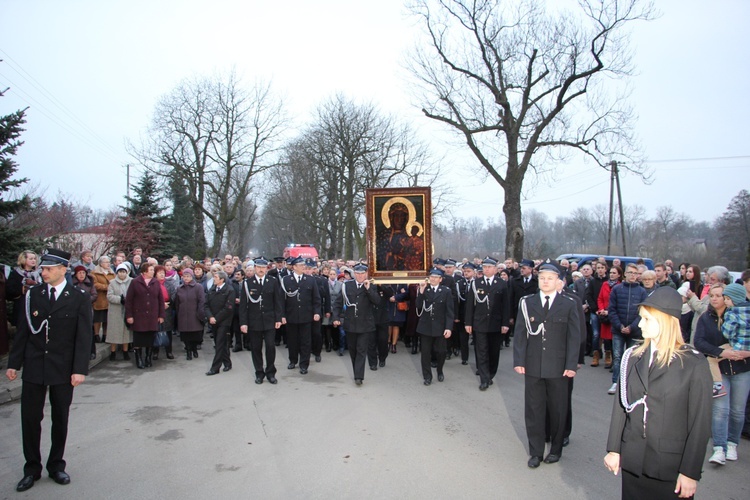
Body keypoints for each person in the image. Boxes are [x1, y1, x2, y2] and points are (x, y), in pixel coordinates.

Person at [604, 287, 712, 499]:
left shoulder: (692, 363)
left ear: (665, 322)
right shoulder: (633, 357)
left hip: (669, 466)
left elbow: (700, 422)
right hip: (633, 461)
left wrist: (690, 472)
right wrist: (614, 449)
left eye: (647, 319)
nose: (640, 324)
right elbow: (621, 407)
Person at [6, 249, 92, 492]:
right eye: (42, 268)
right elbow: (23, 331)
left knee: (60, 418)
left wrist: (79, 369)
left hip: (63, 368)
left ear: (63, 269)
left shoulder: (78, 297)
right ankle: (31, 468)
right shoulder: (32, 295)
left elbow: (83, 337)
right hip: (35, 365)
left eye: (48, 269)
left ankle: (56, 465)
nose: (43, 272)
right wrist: (14, 363)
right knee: (30, 419)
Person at [513, 260, 580, 468]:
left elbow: (574, 337)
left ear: (558, 281)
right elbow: (520, 334)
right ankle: (535, 452)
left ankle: (556, 449)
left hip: (558, 367)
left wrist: (571, 364)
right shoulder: (527, 303)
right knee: (533, 409)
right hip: (533, 365)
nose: (545, 281)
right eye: (542, 278)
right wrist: (519, 360)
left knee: (558, 410)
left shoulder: (568, 304)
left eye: (550, 278)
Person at [465, 257, 511, 391]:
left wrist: (505, 323)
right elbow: (470, 306)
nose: (486, 269)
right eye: (484, 267)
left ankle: (491, 374)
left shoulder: (501, 283)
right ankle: (484, 379)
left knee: (493, 351)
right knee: (481, 351)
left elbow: (505, 306)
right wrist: (468, 322)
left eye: (489, 267)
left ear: (495, 269)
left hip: (496, 324)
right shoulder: (476, 283)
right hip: (480, 323)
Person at [332, 263, 380, 385]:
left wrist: (368, 289)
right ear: (354, 274)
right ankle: (356, 372)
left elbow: (377, 301)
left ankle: (359, 377)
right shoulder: (346, 286)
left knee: (361, 350)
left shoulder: (371, 286)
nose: (360, 276)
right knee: (353, 350)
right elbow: (338, 303)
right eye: (358, 273)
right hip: (350, 323)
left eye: (362, 273)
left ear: (366, 274)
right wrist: (336, 317)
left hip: (365, 325)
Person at [239, 257, 281, 384]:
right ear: (255, 268)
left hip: (269, 320)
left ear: (266, 269)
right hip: (254, 321)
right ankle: (259, 373)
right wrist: (243, 323)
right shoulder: (248, 283)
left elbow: (277, 302)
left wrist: (278, 318)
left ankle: (270, 372)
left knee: (270, 346)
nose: (261, 270)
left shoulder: (272, 281)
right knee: (256, 348)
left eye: (263, 267)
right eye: (258, 267)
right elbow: (243, 305)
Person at [607, 264, 648, 395]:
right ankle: (615, 382)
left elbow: (642, 313)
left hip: (634, 330)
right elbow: (612, 310)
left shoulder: (642, 292)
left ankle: (629, 384)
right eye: (630, 273)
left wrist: (632, 327)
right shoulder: (616, 289)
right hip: (618, 329)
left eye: (635, 273)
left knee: (631, 358)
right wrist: (620, 326)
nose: (632, 275)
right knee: (618, 357)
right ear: (625, 274)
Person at [278, 256, 321, 374]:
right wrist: (282, 315)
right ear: (294, 267)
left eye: (304, 265)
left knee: (305, 341)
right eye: (301, 265)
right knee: (292, 340)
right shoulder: (286, 280)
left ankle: (304, 364)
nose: (304, 267)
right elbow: (281, 299)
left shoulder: (310, 280)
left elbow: (316, 298)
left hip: (306, 316)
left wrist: (317, 312)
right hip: (291, 316)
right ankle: (293, 360)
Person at [416, 268, 454, 385]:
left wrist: (448, 327)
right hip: (426, 326)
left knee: (441, 352)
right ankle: (427, 376)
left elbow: (449, 311)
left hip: (440, 326)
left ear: (440, 279)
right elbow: (418, 306)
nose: (433, 279)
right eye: (431, 277)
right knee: (425, 353)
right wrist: (421, 291)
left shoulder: (446, 291)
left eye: (436, 277)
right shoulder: (424, 289)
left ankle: (440, 370)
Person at [124, 262, 165, 369]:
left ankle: (148, 357)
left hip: (152, 315)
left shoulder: (155, 282)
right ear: (144, 272)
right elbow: (129, 300)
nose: (153, 272)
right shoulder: (135, 282)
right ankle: (139, 359)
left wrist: (161, 315)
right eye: (151, 270)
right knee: (138, 338)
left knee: (150, 338)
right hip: (138, 316)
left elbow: (160, 300)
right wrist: (129, 315)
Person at [204, 270, 235, 375]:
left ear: (222, 279)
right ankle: (227, 362)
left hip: (224, 321)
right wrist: (210, 317)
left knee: (219, 344)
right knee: (219, 342)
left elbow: (228, 308)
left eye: (216, 277)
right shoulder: (212, 289)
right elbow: (206, 305)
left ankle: (215, 368)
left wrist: (216, 318)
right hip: (213, 321)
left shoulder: (229, 290)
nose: (214, 279)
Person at [173, 268, 205, 360]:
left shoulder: (198, 287)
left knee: (195, 334)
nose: (186, 278)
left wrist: (200, 313)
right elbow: (177, 303)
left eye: (188, 276)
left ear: (192, 277)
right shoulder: (179, 288)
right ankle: (188, 351)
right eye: (184, 276)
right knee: (185, 335)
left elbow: (201, 301)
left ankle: (194, 349)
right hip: (183, 315)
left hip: (194, 314)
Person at [6, 250, 41, 327]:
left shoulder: (39, 273)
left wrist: (36, 284)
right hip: (21, 307)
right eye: (31, 259)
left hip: (37, 306)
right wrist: (23, 289)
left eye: (35, 258)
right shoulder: (15, 273)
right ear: (24, 260)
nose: (33, 260)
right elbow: (9, 291)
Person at [106, 263, 133, 361]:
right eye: (120, 272)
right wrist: (120, 299)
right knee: (114, 331)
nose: (121, 274)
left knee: (126, 331)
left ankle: (125, 351)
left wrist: (128, 300)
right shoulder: (112, 282)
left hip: (127, 309)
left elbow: (134, 294)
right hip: (115, 310)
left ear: (127, 272)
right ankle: (113, 352)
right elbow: (109, 296)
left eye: (123, 272)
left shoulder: (131, 281)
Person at [91, 256, 115, 346]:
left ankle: (105, 335)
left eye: (109, 262)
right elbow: (95, 284)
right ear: (101, 263)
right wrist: (106, 287)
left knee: (106, 319)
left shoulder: (112, 273)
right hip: (100, 299)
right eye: (105, 262)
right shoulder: (95, 273)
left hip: (109, 300)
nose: (108, 264)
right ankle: (96, 335)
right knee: (98, 319)